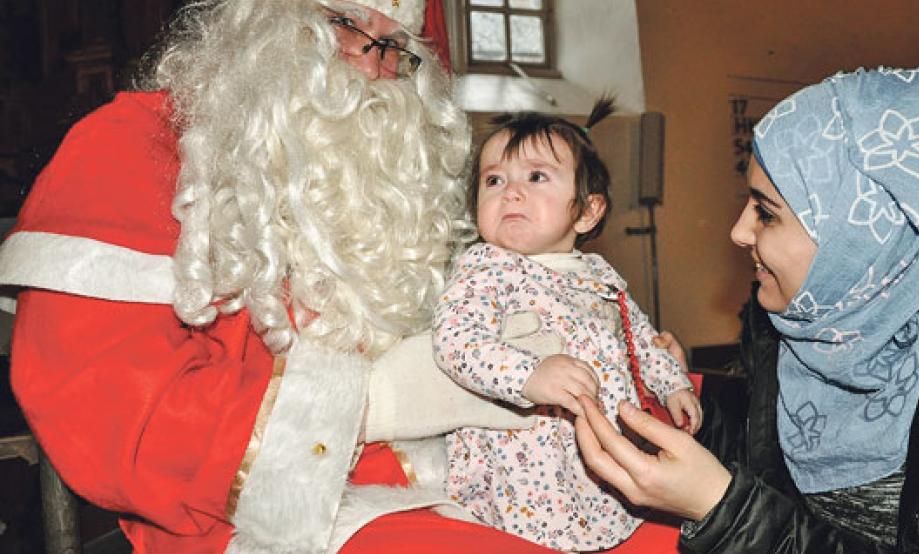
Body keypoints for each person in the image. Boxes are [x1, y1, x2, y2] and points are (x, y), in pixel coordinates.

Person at [0, 1, 576, 552]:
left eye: (395, 48)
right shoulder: (130, 147)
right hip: (255, 526)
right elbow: (111, 416)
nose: (373, 66)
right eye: (346, 25)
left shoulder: (396, 180)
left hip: (468, 478)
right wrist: (378, 403)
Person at [573, 65, 919, 552]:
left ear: (864, 235)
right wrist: (688, 411)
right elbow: (765, 456)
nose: (739, 232)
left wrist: (722, 510)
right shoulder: (795, 327)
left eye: (766, 212)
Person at [433, 99, 703, 552]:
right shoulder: (486, 266)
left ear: (587, 211)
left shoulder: (600, 274)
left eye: (536, 177)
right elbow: (455, 340)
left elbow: (638, 337)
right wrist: (528, 375)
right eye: (494, 179)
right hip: (525, 457)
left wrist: (672, 383)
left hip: (607, 447)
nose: (511, 192)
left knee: (617, 522)